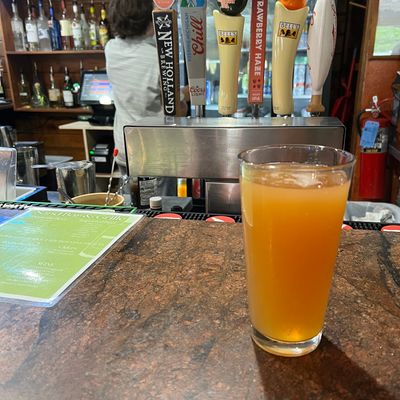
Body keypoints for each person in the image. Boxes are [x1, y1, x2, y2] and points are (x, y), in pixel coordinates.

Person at [105, 0, 187, 173]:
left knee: (128, 191)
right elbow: (177, 110)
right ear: (148, 19)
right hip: (155, 154)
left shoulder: (111, 49)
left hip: (124, 148)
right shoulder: (159, 58)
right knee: (158, 193)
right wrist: (188, 94)